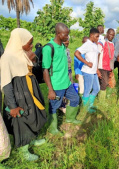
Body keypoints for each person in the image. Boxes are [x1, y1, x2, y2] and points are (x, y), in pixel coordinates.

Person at [1, 28, 47, 161]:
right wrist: (13, 106)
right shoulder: (7, 58)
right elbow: (6, 84)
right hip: (18, 95)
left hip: (28, 92)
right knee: (21, 120)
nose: (31, 45)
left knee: (32, 114)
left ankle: (31, 140)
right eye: (29, 42)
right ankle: (23, 151)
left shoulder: (21, 54)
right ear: (19, 41)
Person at [43, 23, 81, 136]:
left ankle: (70, 118)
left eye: (68, 34)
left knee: (75, 98)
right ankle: (53, 129)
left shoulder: (64, 46)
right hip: (56, 85)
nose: (67, 36)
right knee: (54, 107)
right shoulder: (48, 48)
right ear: (58, 34)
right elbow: (45, 70)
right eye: (65, 34)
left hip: (67, 83)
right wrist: (50, 89)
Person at [74, 28, 100, 113]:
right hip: (88, 71)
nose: (97, 38)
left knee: (96, 89)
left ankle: (90, 105)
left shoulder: (95, 45)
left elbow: (95, 59)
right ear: (91, 35)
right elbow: (76, 53)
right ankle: (86, 109)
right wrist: (86, 62)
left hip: (93, 71)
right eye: (96, 36)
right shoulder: (87, 44)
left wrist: (97, 70)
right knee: (87, 90)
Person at [97, 28, 115, 100]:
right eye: (110, 34)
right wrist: (97, 67)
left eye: (113, 35)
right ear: (107, 34)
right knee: (104, 83)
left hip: (108, 66)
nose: (111, 36)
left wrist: (112, 68)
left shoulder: (112, 44)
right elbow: (98, 54)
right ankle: (101, 100)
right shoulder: (102, 42)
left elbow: (112, 56)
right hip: (102, 66)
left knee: (105, 82)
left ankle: (100, 97)